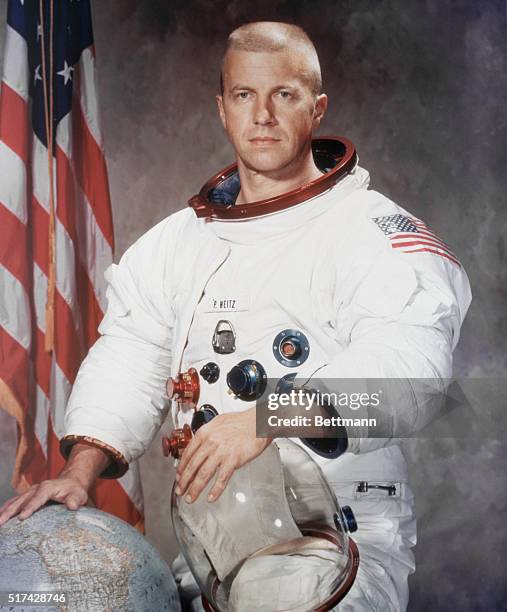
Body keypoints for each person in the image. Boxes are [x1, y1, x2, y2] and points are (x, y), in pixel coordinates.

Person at [0, 21, 471, 611]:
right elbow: (131, 353)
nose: (263, 116)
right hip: (211, 542)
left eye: (285, 95)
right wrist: (80, 469)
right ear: (223, 109)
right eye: (245, 96)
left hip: (335, 541)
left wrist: (265, 416)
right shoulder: (175, 244)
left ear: (317, 108)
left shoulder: (374, 233)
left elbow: (411, 373)